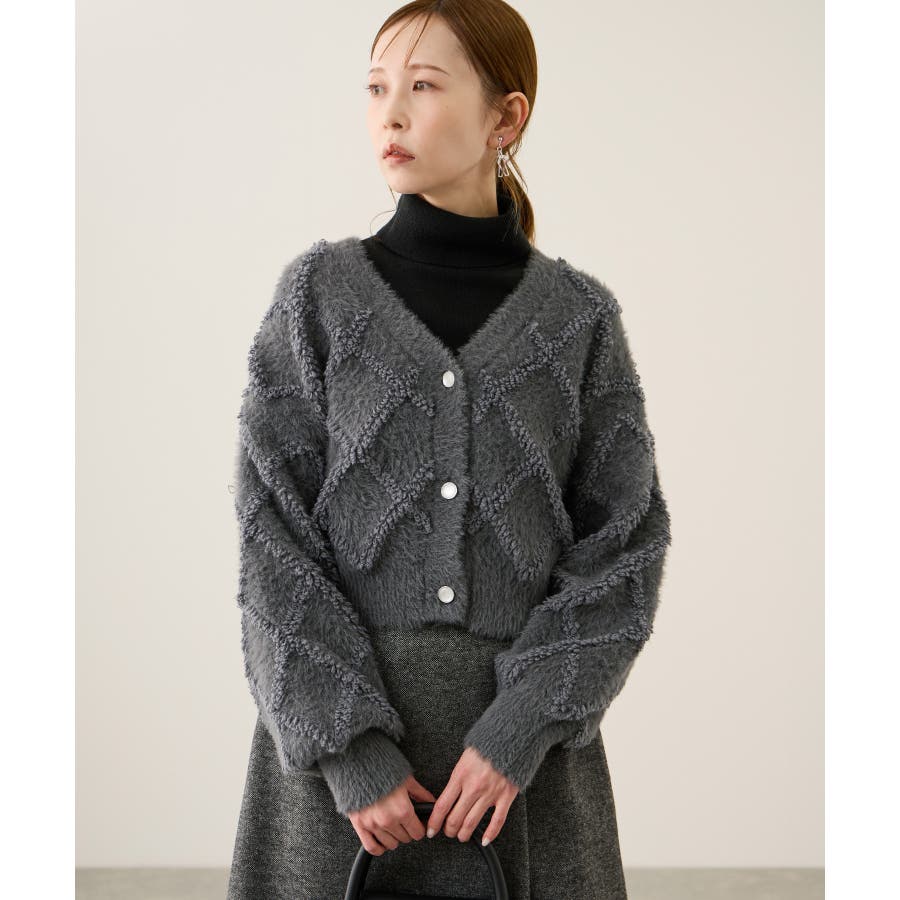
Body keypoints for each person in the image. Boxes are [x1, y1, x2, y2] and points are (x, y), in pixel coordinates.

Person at [226, 2, 672, 898]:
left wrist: (520, 730)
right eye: (376, 88)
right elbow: (271, 538)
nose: (390, 114)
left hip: (522, 783)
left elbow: (625, 547)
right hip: (336, 786)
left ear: (506, 118)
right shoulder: (316, 300)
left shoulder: (579, 322)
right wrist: (349, 749)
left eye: (423, 87)